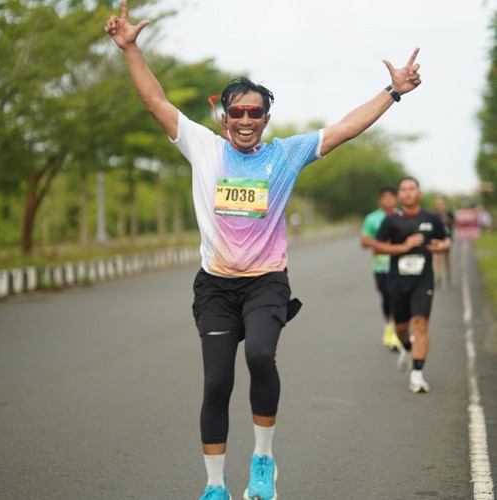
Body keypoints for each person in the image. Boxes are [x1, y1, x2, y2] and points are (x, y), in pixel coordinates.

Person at [104, 2, 422, 498]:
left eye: (255, 112)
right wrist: (129, 50)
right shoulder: (204, 148)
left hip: (266, 283)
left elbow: (346, 127)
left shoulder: (286, 154)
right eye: (238, 112)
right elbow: (156, 102)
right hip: (215, 286)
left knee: (258, 354)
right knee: (215, 384)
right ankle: (215, 486)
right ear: (224, 116)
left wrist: (393, 93)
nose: (246, 119)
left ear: (266, 118)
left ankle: (262, 460)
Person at [373, 177, 450, 394]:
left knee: (420, 324)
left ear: (419, 193)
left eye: (411, 189)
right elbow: (377, 247)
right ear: (399, 195)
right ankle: (407, 348)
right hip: (397, 283)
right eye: (403, 189)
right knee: (401, 329)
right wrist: (403, 247)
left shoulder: (432, 219)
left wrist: (441, 246)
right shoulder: (391, 221)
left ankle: (417, 374)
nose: (407, 192)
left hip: (422, 282)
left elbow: (446, 240)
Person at [361, 187, 402, 350]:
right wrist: (382, 244)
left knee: (399, 298)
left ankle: (399, 332)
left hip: (400, 265)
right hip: (381, 266)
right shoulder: (372, 218)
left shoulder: (402, 216)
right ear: (380, 200)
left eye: (391, 197)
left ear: (396, 199)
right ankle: (388, 329)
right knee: (387, 298)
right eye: (384, 197)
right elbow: (364, 241)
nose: (388, 200)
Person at [433, 194, 455, 288]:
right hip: (438, 238)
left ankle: (448, 275)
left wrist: (447, 220)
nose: (439, 204)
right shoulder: (434, 214)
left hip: (447, 237)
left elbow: (454, 223)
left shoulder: (448, 213)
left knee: (446, 257)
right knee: (438, 258)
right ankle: (438, 278)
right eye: (438, 203)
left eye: (441, 203)